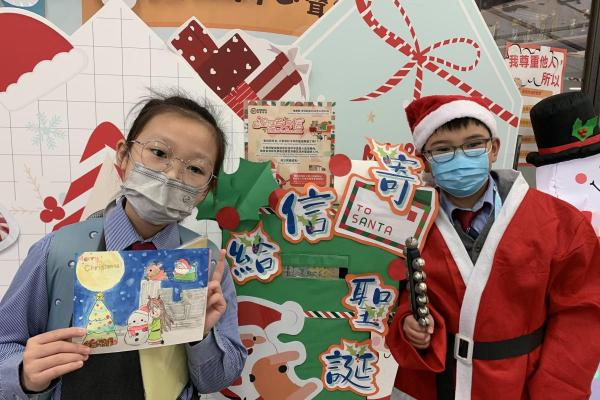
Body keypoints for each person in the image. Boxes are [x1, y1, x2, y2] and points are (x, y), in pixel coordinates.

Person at [0, 93, 247, 400]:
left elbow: (217, 379)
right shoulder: (57, 251)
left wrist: (203, 336)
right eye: (158, 152)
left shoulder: (206, 263)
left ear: (206, 190)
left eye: (195, 169)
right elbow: (4, 343)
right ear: (123, 155)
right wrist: (22, 373)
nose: (172, 175)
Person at [387, 95, 600, 400]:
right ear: (425, 159)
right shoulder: (406, 220)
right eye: (443, 150)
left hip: (517, 383)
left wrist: (555, 391)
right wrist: (408, 321)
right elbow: (389, 290)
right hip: (431, 383)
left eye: (474, 144)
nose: (460, 157)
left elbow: (580, 317)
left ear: (494, 148)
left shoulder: (559, 223)